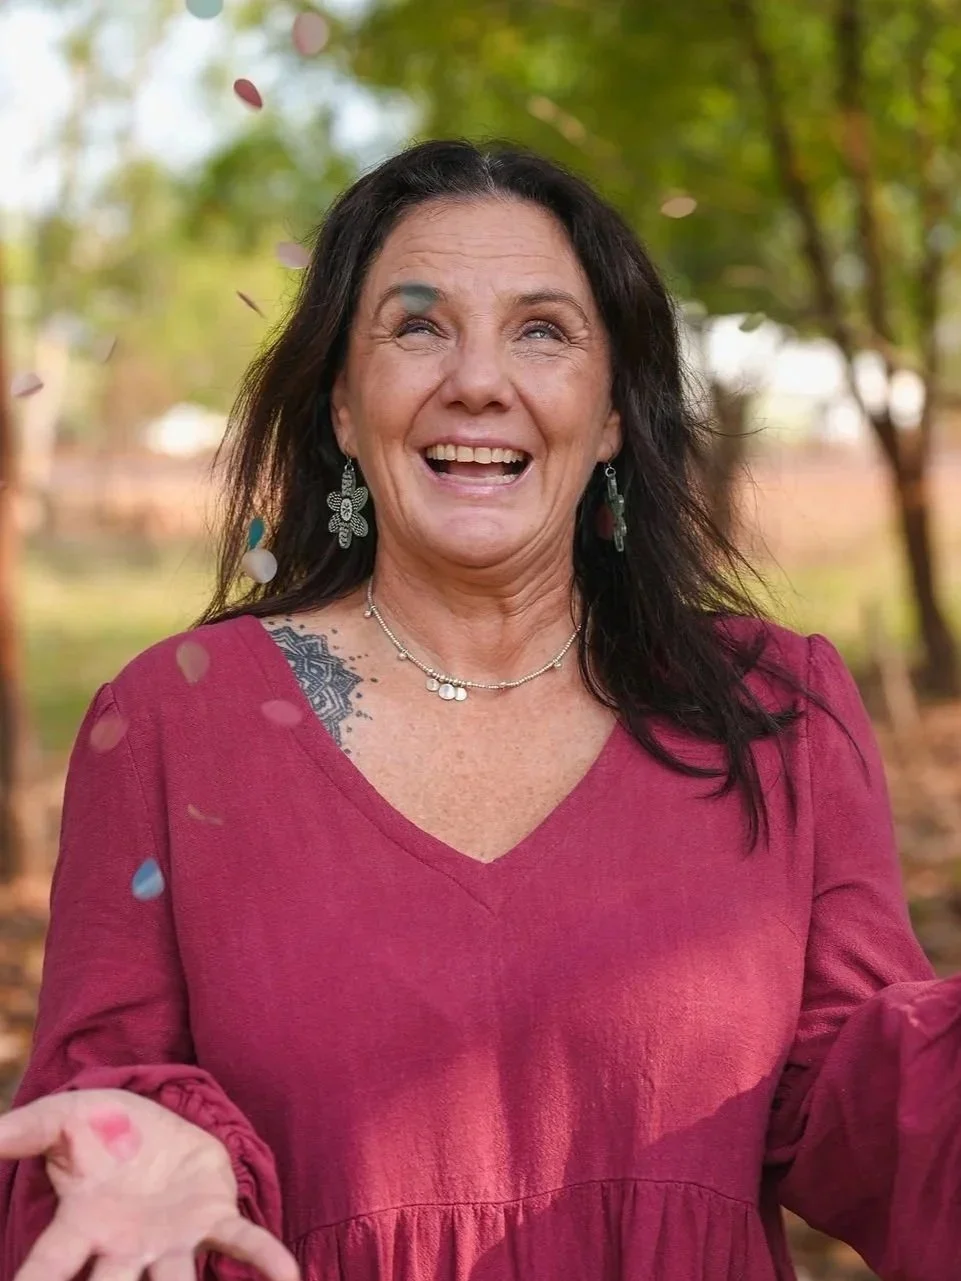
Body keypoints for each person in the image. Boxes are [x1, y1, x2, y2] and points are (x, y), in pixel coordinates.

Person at [0, 139, 958, 1281]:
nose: (478, 380)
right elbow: (96, 1117)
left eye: (543, 331)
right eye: (416, 327)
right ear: (343, 408)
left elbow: (870, 1105)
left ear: (610, 414)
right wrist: (140, 1151)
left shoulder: (776, 713)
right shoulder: (169, 724)